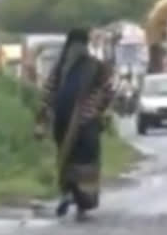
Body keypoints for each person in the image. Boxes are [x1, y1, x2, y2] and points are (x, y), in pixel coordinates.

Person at [34, 28, 113, 221]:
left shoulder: (95, 67)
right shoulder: (62, 68)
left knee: (78, 162)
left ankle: (78, 199)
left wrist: (96, 109)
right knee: (72, 161)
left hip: (81, 123)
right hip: (69, 123)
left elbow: (108, 91)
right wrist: (42, 119)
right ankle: (73, 198)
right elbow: (48, 93)